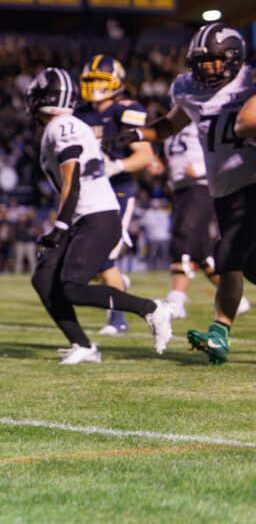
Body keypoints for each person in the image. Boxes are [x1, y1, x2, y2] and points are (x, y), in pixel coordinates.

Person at [106, 22, 256, 364]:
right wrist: (139, 135)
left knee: (228, 253)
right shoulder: (190, 89)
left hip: (250, 180)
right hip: (224, 190)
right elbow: (173, 123)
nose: (207, 68)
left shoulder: (250, 82)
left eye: (215, 61)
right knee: (246, 263)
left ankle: (219, 333)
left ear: (234, 59)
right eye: (201, 61)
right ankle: (220, 333)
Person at [26, 67, 171, 364]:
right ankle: (82, 345)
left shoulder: (60, 126)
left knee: (72, 287)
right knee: (43, 278)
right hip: (85, 216)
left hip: (96, 216)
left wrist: (59, 225)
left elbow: (71, 180)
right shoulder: (67, 124)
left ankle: (152, 308)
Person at [75, 55, 154, 335]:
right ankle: (119, 286)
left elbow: (145, 154)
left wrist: (117, 165)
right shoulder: (79, 113)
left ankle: (118, 319)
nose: (95, 85)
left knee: (103, 257)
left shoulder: (126, 111)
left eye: (100, 80)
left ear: (116, 83)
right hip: (88, 193)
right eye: (91, 80)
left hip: (118, 190)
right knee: (88, 260)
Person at [157, 123, 250, 319]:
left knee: (183, 235)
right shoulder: (176, 122)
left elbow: (226, 148)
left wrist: (201, 168)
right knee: (201, 249)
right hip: (181, 188)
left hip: (201, 186)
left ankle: (177, 298)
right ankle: (235, 299)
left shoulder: (206, 120)